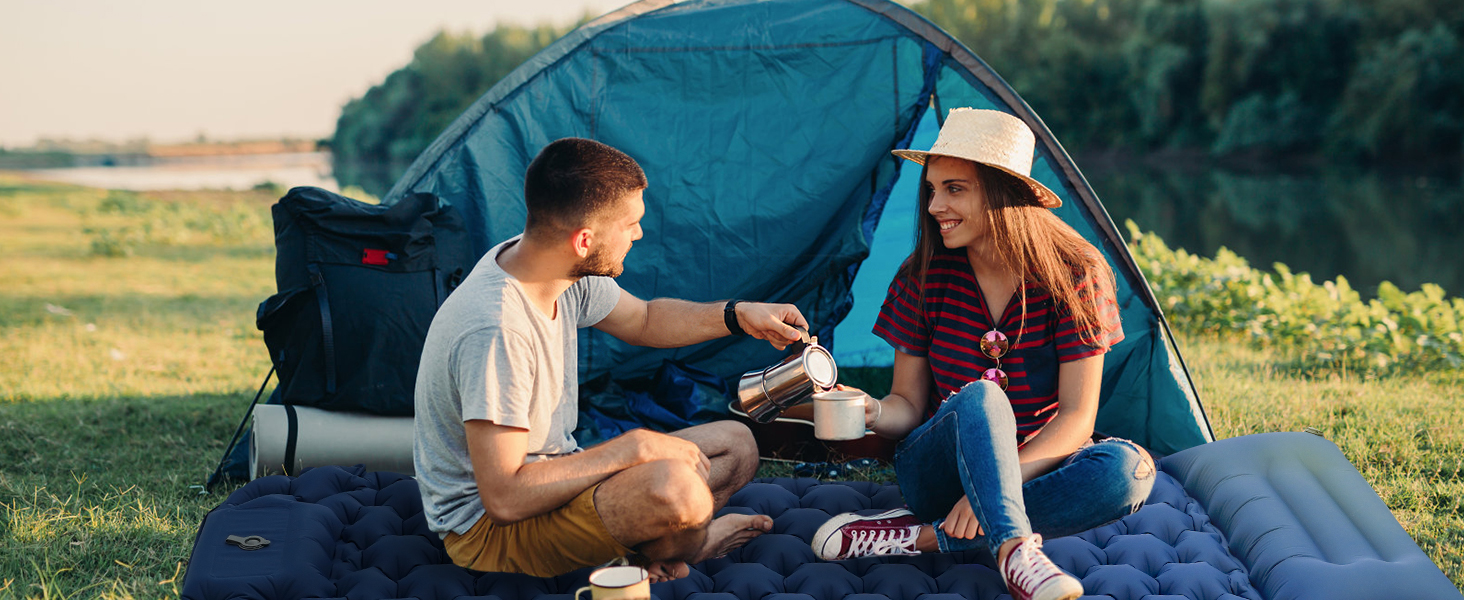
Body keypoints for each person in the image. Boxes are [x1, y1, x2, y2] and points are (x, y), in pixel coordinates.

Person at [415, 137, 809, 581]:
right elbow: (504, 498)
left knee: (737, 445)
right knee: (681, 494)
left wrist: (738, 316)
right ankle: (692, 546)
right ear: (584, 240)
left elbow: (645, 319)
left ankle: (657, 547)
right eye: (631, 224)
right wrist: (634, 448)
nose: (639, 234)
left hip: (554, 480)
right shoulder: (496, 329)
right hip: (490, 532)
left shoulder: (553, 263)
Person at [809, 109, 1156, 600]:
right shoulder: (923, 274)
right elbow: (908, 404)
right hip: (938, 469)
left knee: (1129, 471)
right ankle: (1017, 551)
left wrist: (999, 484)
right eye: (932, 189)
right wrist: (873, 411)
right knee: (983, 399)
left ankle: (922, 537)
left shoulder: (1077, 271)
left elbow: (1078, 416)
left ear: (1003, 192)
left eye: (954, 189)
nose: (934, 207)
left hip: (1034, 461)